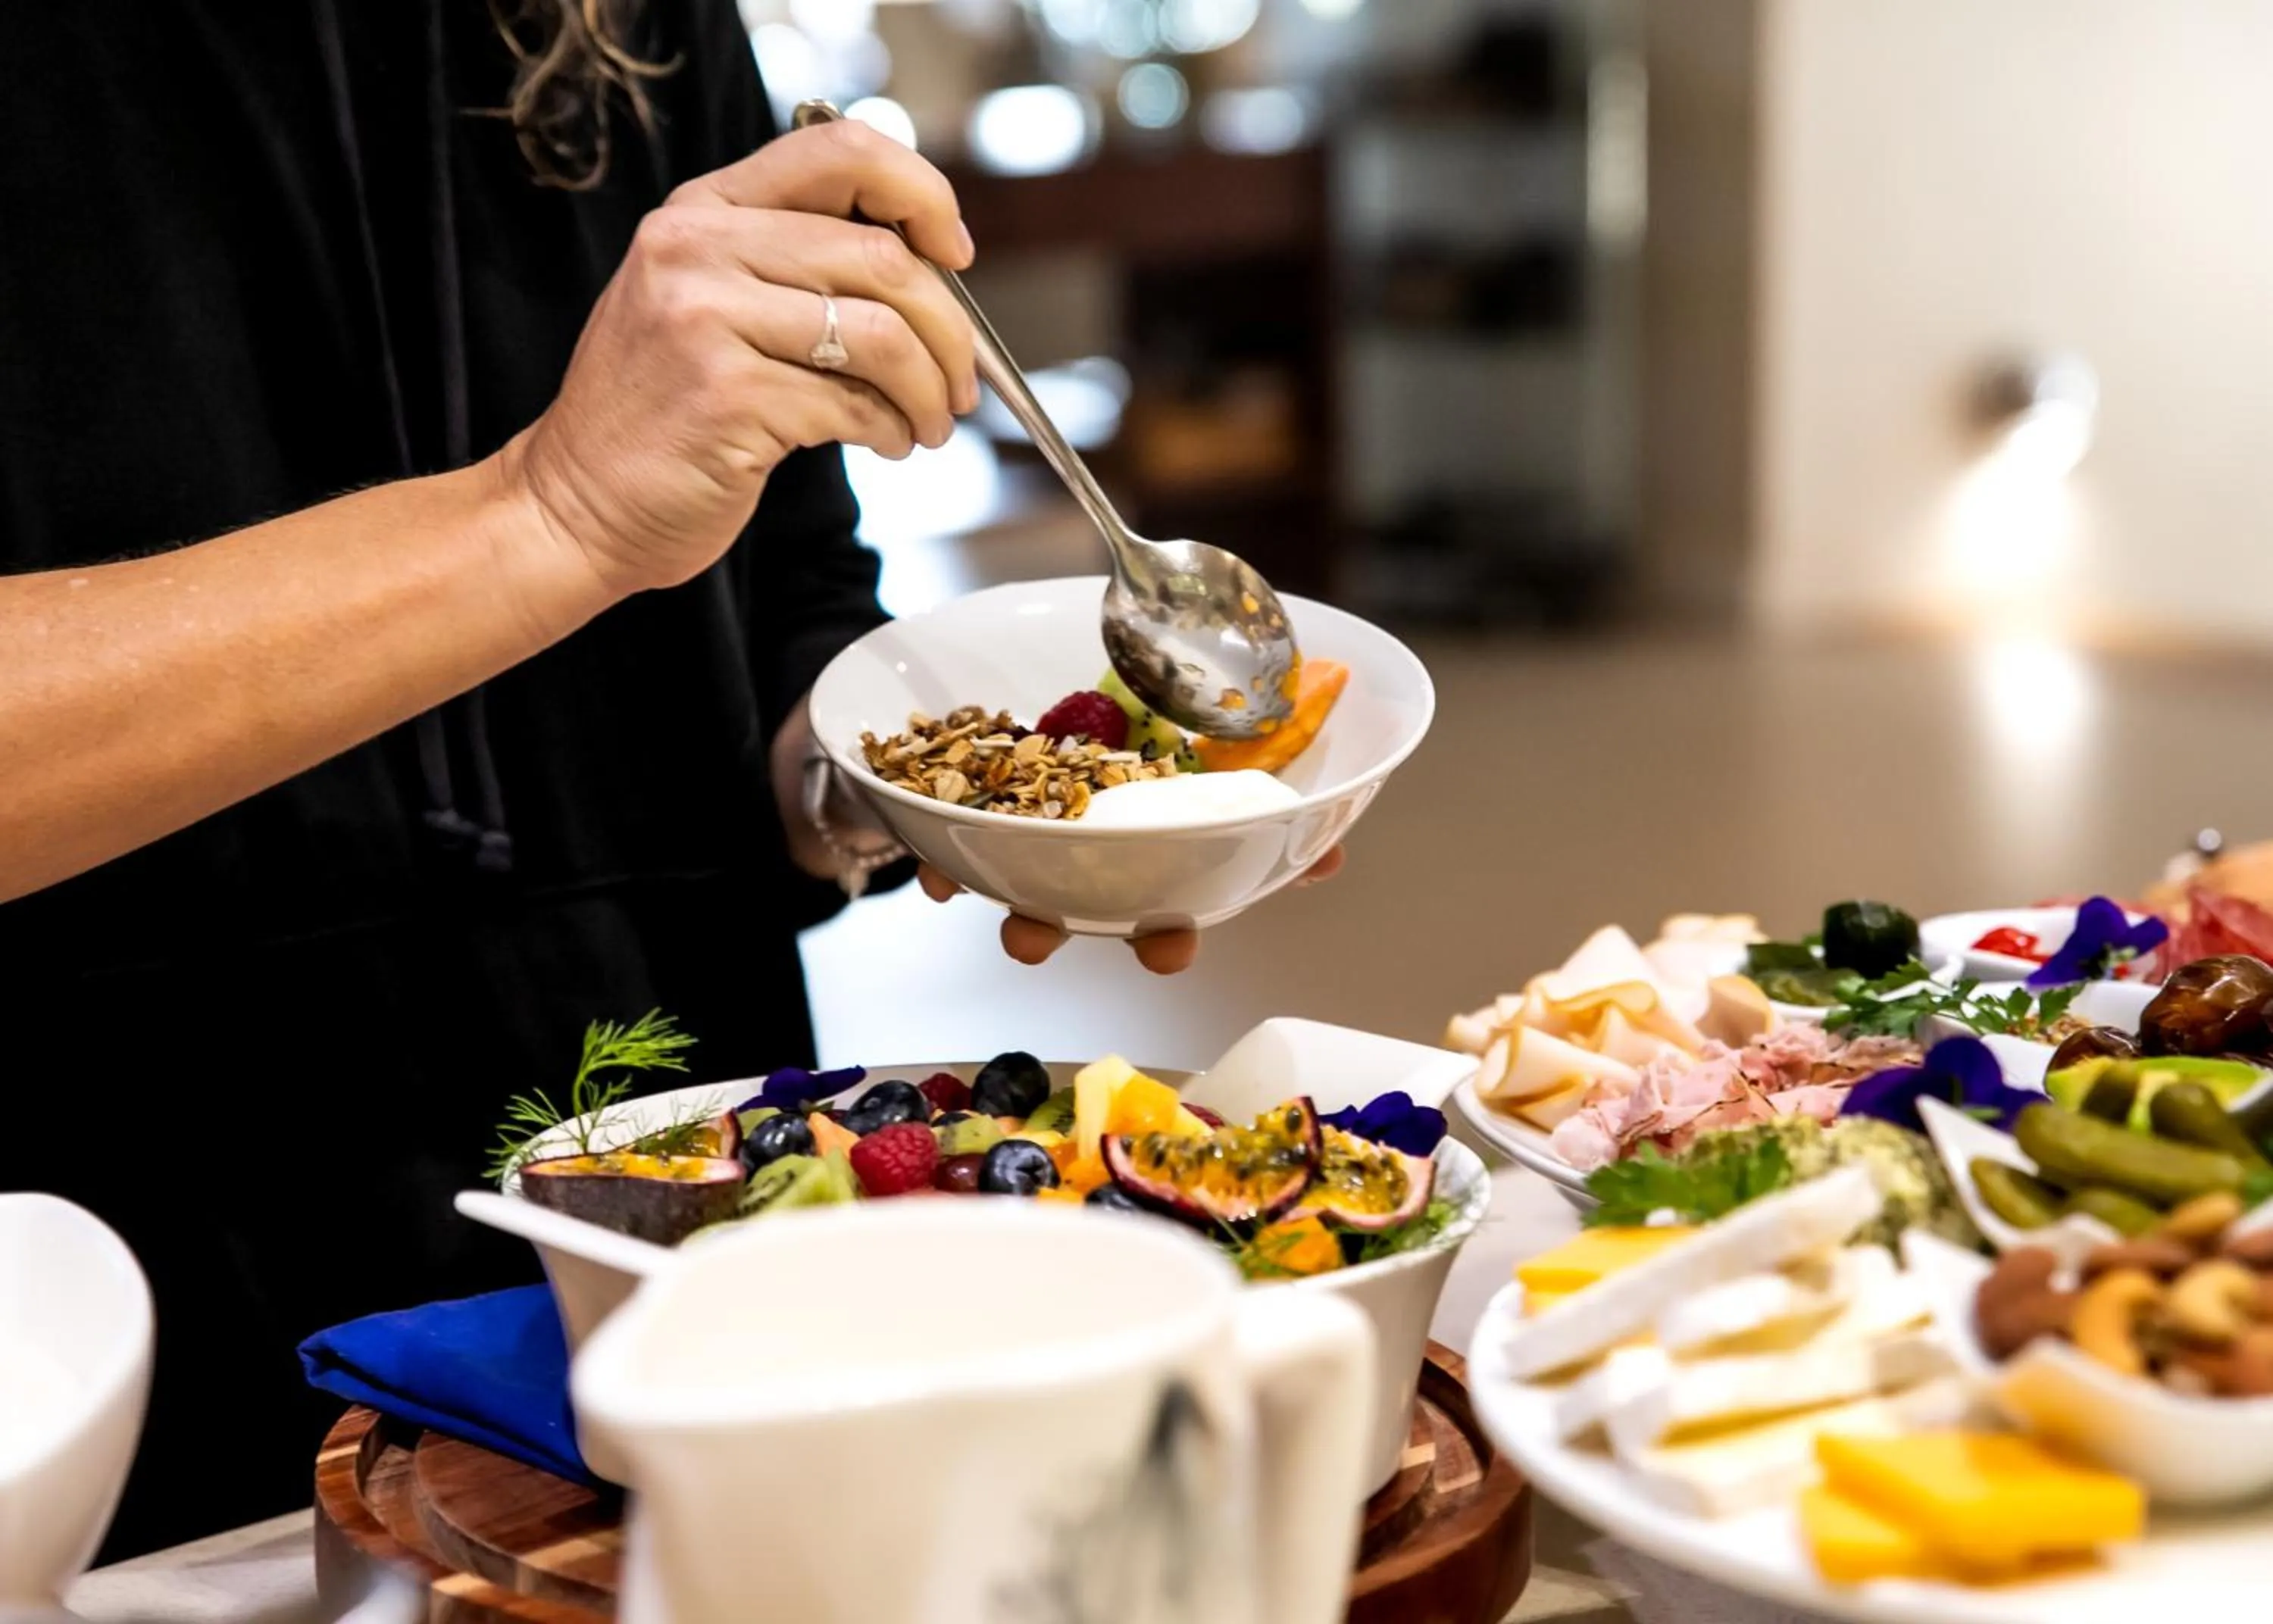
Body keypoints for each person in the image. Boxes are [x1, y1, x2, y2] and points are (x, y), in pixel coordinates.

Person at [0, 1, 1335, 1557]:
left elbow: (787, 611)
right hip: (121, 1282)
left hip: (687, 1186)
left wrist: (929, 794)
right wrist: (551, 510)